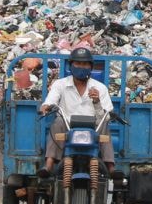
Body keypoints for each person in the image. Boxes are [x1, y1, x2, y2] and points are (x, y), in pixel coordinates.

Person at [40, 47, 117, 176]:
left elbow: (107, 115)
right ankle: (49, 164)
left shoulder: (100, 88)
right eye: (78, 64)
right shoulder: (60, 84)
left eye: (85, 64)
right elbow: (51, 100)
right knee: (57, 121)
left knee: (105, 123)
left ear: (90, 67)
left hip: (93, 127)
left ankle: (110, 166)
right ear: (71, 66)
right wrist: (46, 106)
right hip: (67, 125)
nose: (81, 67)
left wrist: (97, 101)